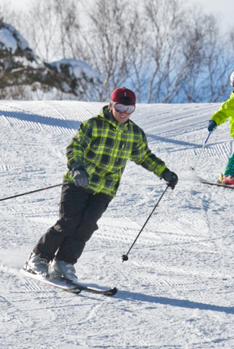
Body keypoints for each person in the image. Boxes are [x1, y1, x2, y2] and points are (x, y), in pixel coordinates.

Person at [24, 87, 178, 282]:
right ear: (112, 105)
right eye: (121, 107)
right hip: (79, 182)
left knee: (86, 226)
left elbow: (144, 157)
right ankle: (38, 258)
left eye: (129, 109)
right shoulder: (94, 125)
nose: (124, 113)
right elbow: (75, 147)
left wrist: (165, 172)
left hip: (105, 190)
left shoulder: (135, 134)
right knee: (68, 222)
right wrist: (78, 168)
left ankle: (63, 262)